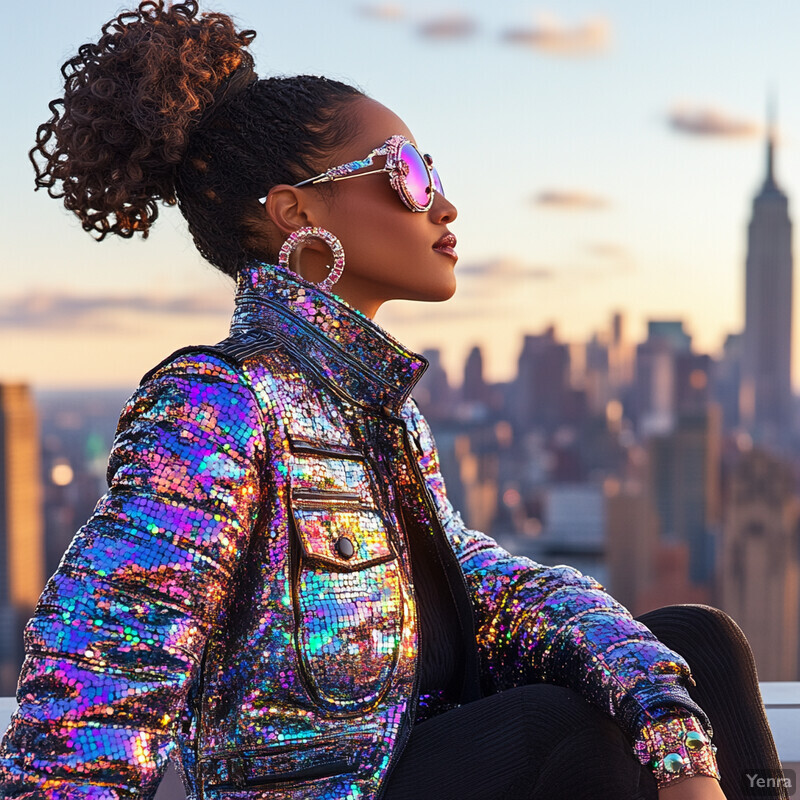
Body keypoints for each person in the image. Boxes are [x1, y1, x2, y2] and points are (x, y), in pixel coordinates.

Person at [0, 3, 787, 799]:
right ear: (296, 211)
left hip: (422, 760)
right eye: (408, 176)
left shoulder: (383, 415)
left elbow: (491, 592)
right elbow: (91, 695)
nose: (443, 206)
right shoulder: (216, 406)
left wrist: (673, 734)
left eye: (435, 175)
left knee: (697, 644)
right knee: (559, 731)